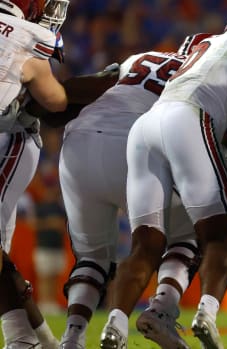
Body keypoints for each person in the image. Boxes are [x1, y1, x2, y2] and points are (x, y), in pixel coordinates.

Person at [98, 13, 227, 349]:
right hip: (191, 118)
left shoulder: (207, 43)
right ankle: (206, 314)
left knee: (145, 245)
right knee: (217, 237)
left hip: (146, 126)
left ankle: (115, 326)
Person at [54, 36, 214, 349]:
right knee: (187, 238)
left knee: (91, 257)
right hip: (136, 145)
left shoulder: (140, 57)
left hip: (80, 139)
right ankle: (161, 311)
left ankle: (72, 336)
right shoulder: (207, 70)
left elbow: (85, 87)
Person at [0, 0, 68, 347]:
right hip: (11, 137)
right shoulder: (29, 34)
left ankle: (26, 338)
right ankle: (34, 338)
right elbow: (56, 100)